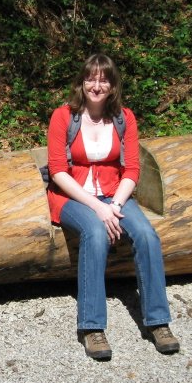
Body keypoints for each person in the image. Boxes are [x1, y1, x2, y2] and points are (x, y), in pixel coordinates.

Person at [46, 53, 179, 360]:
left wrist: (115, 204)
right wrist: (99, 208)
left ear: (113, 85)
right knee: (95, 232)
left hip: (114, 194)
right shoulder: (63, 116)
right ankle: (92, 327)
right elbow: (58, 171)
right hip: (72, 196)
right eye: (91, 79)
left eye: (103, 80)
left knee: (147, 235)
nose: (96, 86)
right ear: (82, 82)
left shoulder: (124, 118)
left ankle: (158, 321)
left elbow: (132, 169)